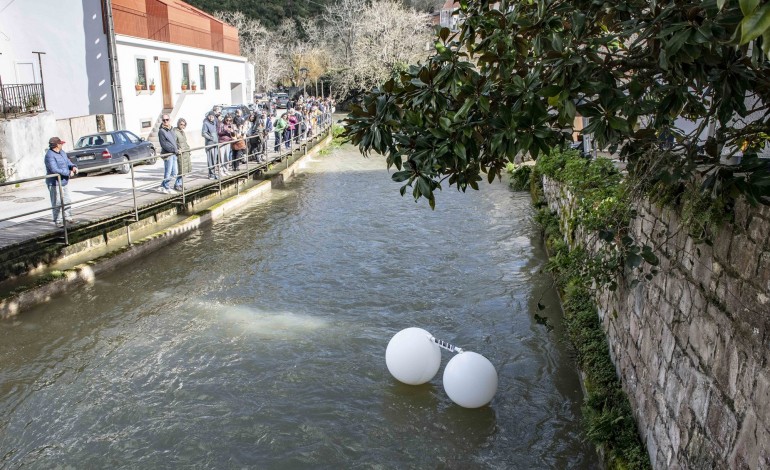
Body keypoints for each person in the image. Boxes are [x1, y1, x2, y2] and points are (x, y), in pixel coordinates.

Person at [44, 137, 77, 227]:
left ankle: (68, 217)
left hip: (63, 181)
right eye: (61, 143)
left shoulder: (62, 152)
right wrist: (68, 173)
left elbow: (67, 162)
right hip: (54, 183)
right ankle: (58, 221)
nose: (62, 145)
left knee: (66, 200)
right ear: (57, 145)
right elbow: (54, 169)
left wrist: (73, 167)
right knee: (57, 202)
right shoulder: (49, 155)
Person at [157, 113, 179, 194]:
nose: (165, 121)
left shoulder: (171, 129)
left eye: (167, 119)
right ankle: (166, 187)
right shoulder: (161, 131)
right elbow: (164, 144)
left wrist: (177, 148)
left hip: (174, 153)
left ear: (169, 120)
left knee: (175, 172)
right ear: (162, 121)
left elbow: (174, 141)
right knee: (168, 172)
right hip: (168, 154)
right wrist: (173, 149)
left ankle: (162, 186)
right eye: (164, 120)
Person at [173, 118, 191, 191]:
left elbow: (185, 142)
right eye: (181, 124)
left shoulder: (182, 132)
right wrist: (177, 149)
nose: (182, 126)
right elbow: (174, 142)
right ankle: (177, 184)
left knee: (184, 170)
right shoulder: (175, 131)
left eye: (184, 125)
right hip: (180, 153)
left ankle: (180, 184)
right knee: (181, 170)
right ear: (178, 124)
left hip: (185, 152)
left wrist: (188, 149)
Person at [202, 111, 219, 179]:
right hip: (210, 144)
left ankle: (214, 173)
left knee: (214, 160)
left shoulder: (214, 122)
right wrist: (210, 138)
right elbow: (203, 133)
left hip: (215, 143)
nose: (211, 118)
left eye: (213, 116)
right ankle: (211, 174)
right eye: (210, 116)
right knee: (210, 160)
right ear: (208, 116)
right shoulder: (205, 123)